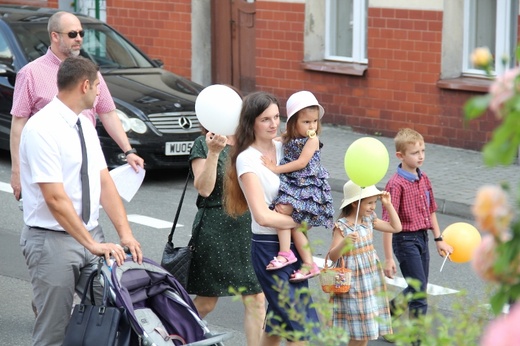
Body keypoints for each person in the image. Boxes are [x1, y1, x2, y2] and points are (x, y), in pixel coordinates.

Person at [19, 56, 143, 346]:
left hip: (92, 237)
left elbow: (103, 181)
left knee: (114, 315)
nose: (100, 92)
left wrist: (125, 233)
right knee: (54, 332)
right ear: (85, 85)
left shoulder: (84, 125)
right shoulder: (42, 129)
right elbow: (55, 198)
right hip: (52, 242)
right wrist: (90, 243)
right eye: (98, 85)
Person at [10, 10, 144, 202]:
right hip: (49, 163)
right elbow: (18, 124)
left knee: (87, 217)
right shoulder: (30, 73)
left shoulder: (89, 71)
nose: (79, 38)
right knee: (48, 222)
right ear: (55, 36)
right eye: (72, 34)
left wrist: (128, 151)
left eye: (81, 33)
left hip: (86, 159)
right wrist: (17, 171)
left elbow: (107, 113)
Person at [225, 91, 320, 345]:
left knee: (279, 324)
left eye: (276, 117)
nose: (272, 124)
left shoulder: (285, 147)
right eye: (265, 119)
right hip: (269, 250)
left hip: (295, 247)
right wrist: (301, 219)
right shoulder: (246, 160)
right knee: (299, 325)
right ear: (251, 122)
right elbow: (262, 216)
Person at [188, 126, 266, 346]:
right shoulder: (204, 143)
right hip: (215, 231)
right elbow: (204, 189)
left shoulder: (250, 142)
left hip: (248, 230)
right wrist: (213, 153)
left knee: (256, 299)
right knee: (206, 302)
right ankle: (166, 335)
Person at [381, 128, 453, 341]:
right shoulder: (395, 184)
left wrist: (439, 239)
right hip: (404, 240)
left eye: (423, 150)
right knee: (419, 293)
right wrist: (387, 258)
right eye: (414, 152)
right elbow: (386, 223)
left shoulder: (424, 179)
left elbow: (431, 210)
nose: (420, 156)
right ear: (400, 156)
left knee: (417, 288)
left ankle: (388, 315)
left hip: (422, 238)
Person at [261, 90, 334, 282]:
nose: (312, 125)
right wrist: (276, 140)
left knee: (283, 211)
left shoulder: (312, 140)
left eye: (315, 121)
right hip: (295, 185)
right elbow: (281, 139)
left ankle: (286, 253)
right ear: (294, 122)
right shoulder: (290, 136)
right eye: (306, 122)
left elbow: (301, 163)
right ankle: (308, 263)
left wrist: (276, 168)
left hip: (307, 187)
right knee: (296, 225)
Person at [327, 180, 402, 346]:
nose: (373, 207)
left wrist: (388, 205)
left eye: (374, 202)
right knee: (358, 333)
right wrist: (344, 243)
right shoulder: (342, 226)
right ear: (355, 203)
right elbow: (332, 256)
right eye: (369, 203)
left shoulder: (369, 220)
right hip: (353, 283)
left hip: (370, 280)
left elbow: (396, 227)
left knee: (366, 331)